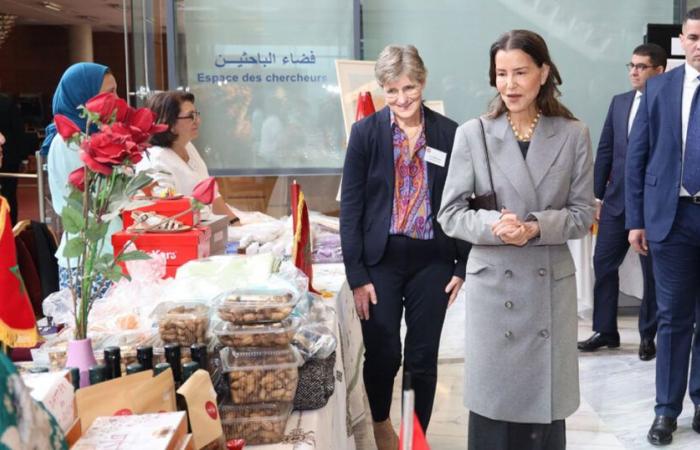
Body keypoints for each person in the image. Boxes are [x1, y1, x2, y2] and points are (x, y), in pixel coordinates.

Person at [438, 30, 594, 450]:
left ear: (543, 73)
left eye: (520, 72)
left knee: (543, 416)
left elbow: (583, 214)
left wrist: (537, 226)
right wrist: (494, 226)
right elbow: (450, 214)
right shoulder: (474, 134)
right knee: (493, 413)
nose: (509, 84)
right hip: (495, 293)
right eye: (501, 74)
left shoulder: (573, 134)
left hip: (548, 289)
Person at [339, 44, 469, 450]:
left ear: (423, 82)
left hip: (433, 260)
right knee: (384, 353)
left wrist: (461, 266)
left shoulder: (451, 133)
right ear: (381, 89)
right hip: (381, 261)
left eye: (409, 88)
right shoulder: (365, 134)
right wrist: (357, 276)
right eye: (391, 90)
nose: (401, 99)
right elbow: (352, 209)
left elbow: (466, 200)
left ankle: (414, 435)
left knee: (422, 357)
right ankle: (380, 422)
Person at [626, 7, 700, 446]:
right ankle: (665, 411)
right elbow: (638, 157)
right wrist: (635, 219)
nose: (699, 45)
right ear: (682, 39)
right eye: (693, 36)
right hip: (671, 218)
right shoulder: (659, 88)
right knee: (673, 317)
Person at [578, 44, 667, 361]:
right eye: (631, 65)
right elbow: (605, 151)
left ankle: (648, 335)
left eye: (641, 66)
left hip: (653, 204)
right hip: (616, 203)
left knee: (653, 273)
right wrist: (597, 195)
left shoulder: (667, 104)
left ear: (658, 70)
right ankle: (605, 330)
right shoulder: (620, 103)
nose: (634, 71)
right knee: (602, 264)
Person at [44, 63, 120, 293]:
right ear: (83, 98)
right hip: (88, 259)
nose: (116, 99)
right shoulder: (68, 142)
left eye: (116, 90)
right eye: (108, 93)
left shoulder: (97, 134)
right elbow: (88, 205)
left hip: (108, 250)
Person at [136, 91, 238, 223]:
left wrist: (235, 221)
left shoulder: (187, 145)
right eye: (191, 117)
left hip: (208, 223)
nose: (198, 121)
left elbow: (212, 194)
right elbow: (164, 214)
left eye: (196, 115)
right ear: (170, 124)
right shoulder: (155, 161)